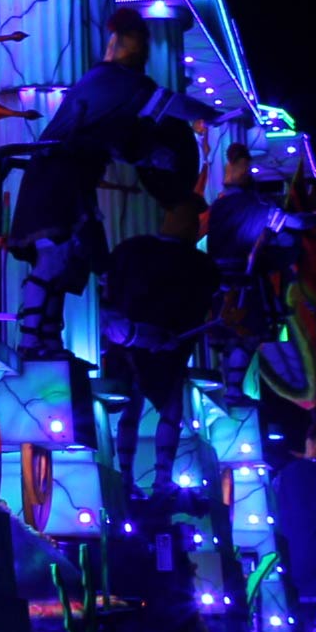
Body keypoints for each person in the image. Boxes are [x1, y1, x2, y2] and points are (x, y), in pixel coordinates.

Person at [2, 9, 214, 358]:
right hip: (58, 175)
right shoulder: (113, 79)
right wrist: (210, 114)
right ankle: (30, 342)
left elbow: (121, 142)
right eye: (139, 40)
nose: (143, 48)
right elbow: (166, 104)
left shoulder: (111, 88)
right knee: (54, 259)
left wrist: (152, 155)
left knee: (64, 261)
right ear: (125, 41)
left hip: (66, 176)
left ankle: (47, 340)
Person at [97, 193, 217, 506]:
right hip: (147, 344)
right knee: (158, 409)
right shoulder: (196, 265)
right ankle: (147, 479)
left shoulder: (134, 250)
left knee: (148, 408)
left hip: (143, 344)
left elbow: (107, 293)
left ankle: (142, 479)